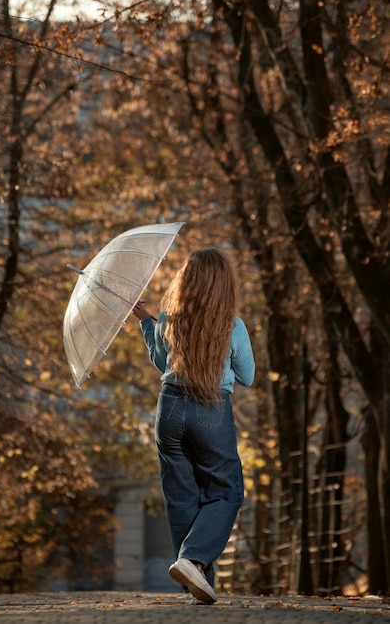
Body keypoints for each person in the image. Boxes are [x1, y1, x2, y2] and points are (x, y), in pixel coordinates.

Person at [132, 247, 255, 604]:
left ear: (186, 280)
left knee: (182, 496)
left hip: (168, 408)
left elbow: (161, 361)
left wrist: (146, 320)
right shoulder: (232, 325)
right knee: (226, 491)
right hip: (210, 409)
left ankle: (195, 581)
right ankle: (193, 560)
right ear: (224, 285)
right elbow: (247, 376)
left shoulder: (170, 317)